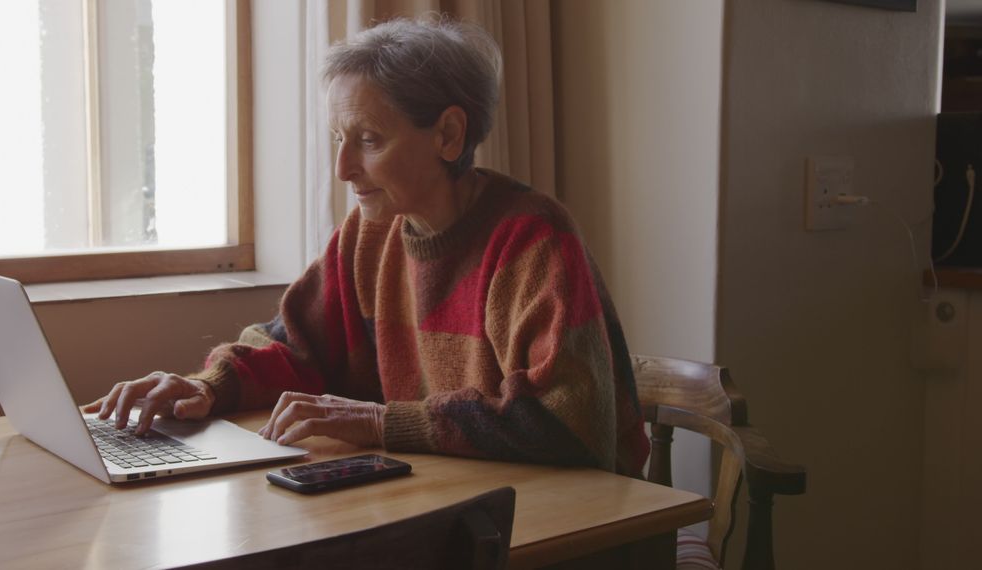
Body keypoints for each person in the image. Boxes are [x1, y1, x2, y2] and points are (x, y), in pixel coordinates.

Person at [83, 17, 649, 477]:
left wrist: (382, 423)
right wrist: (206, 388)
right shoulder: (368, 232)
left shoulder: (531, 240)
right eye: (338, 138)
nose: (342, 168)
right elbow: (294, 346)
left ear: (449, 136)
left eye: (369, 140)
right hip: (453, 501)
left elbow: (569, 423)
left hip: (580, 527)